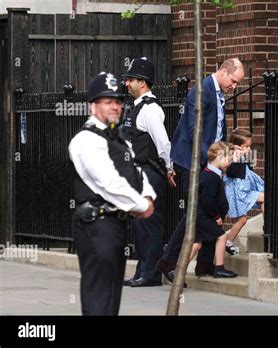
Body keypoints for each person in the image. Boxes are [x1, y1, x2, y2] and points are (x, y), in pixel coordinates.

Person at [69, 72, 155, 315]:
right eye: (107, 101)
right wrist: (140, 205)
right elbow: (107, 182)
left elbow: (136, 170)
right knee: (99, 297)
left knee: (110, 300)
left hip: (115, 224)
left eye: (118, 101)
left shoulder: (119, 138)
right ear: (93, 105)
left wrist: (147, 196)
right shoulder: (86, 139)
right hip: (96, 224)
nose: (115, 106)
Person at [158, 58, 245, 279]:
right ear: (224, 71)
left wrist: (225, 150)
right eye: (233, 81)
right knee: (194, 214)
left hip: (210, 161)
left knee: (213, 209)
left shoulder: (216, 93)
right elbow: (194, 130)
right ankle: (169, 262)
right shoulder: (202, 92)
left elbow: (215, 129)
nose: (234, 87)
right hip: (194, 161)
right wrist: (212, 158)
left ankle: (205, 265)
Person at [121, 57, 173, 287]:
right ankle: (142, 271)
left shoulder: (150, 109)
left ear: (143, 83)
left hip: (149, 174)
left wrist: (169, 168)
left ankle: (151, 274)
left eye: (130, 79)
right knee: (139, 226)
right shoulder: (137, 107)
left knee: (149, 225)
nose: (127, 83)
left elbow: (163, 143)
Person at [186, 142, 237, 278]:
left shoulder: (210, 174)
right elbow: (208, 200)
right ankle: (219, 268)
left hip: (201, 215)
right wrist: (216, 216)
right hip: (204, 216)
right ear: (219, 156)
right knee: (222, 236)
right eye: (229, 159)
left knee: (197, 244)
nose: (230, 162)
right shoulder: (211, 177)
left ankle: (178, 269)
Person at [224, 128, 264, 255]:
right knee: (242, 220)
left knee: (264, 199)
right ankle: (228, 244)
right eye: (247, 146)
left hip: (246, 188)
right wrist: (236, 153)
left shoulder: (243, 155)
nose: (250, 149)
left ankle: (267, 228)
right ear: (239, 146)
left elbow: (251, 165)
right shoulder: (233, 155)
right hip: (238, 192)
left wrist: (245, 154)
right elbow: (230, 169)